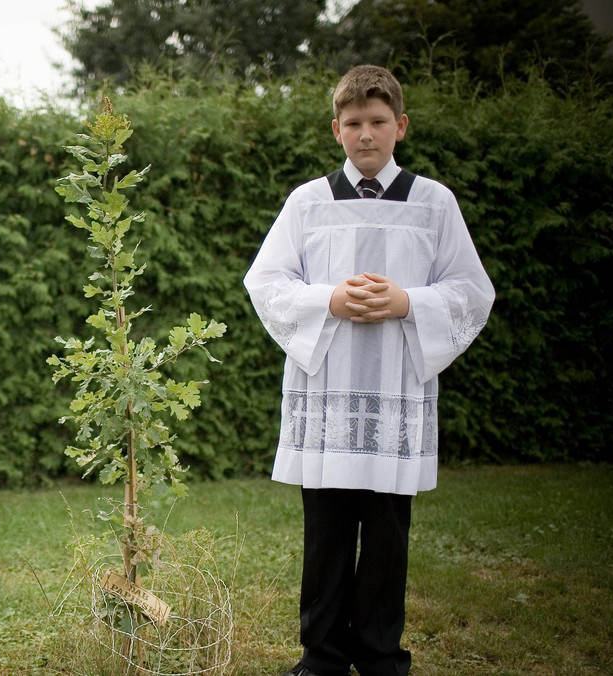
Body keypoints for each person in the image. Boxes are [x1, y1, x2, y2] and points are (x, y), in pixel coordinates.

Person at [243, 65, 494, 676]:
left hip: (394, 390)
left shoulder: (434, 203)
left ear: (400, 126)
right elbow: (267, 281)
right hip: (327, 390)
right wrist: (326, 299)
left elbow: (471, 289)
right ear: (337, 129)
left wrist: (410, 302)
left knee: (386, 533)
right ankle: (322, 655)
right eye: (353, 123)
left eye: (378, 122)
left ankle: (382, 653)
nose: (366, 135)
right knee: (326, 531)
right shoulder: (308, 202)